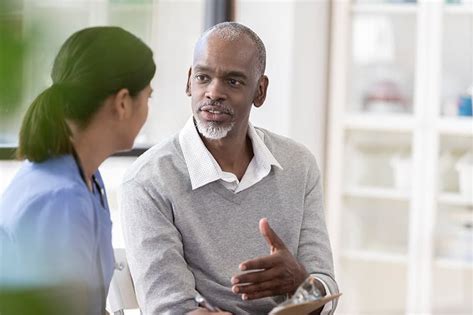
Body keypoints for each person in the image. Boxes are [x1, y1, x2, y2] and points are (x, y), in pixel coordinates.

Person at [121, 22, 338, 314]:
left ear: (259, 91)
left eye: (233, 82)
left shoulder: (299, 164)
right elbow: (170, 308)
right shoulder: (149, 180)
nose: (213, 93)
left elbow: (325, 290)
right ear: (188, 82)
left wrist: (300, 283)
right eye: (203, 77)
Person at [0, 26, 155, 314]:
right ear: (123, 103)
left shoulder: (87, 178)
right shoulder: (60, 202)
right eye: (148, 97)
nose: (148, 108)